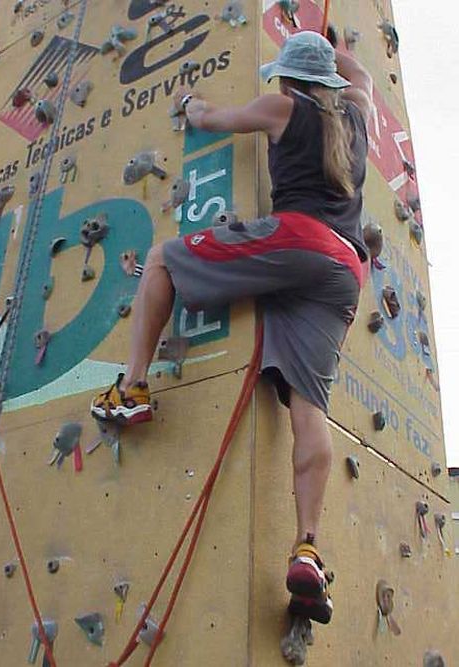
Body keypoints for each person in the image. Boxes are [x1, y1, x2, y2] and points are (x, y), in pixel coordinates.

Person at [91, 30, 372, 623]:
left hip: (297, 239)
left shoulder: (283, 105)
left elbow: (215, 119)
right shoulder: (356, 116)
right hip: (344, 270)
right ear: (333, 81)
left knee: (164, 257)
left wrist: (191, 105)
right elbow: (361, 77)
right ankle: (307, 548)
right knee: (308, 404)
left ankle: (132, 387)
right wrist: (332, 50)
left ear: (290, 79)